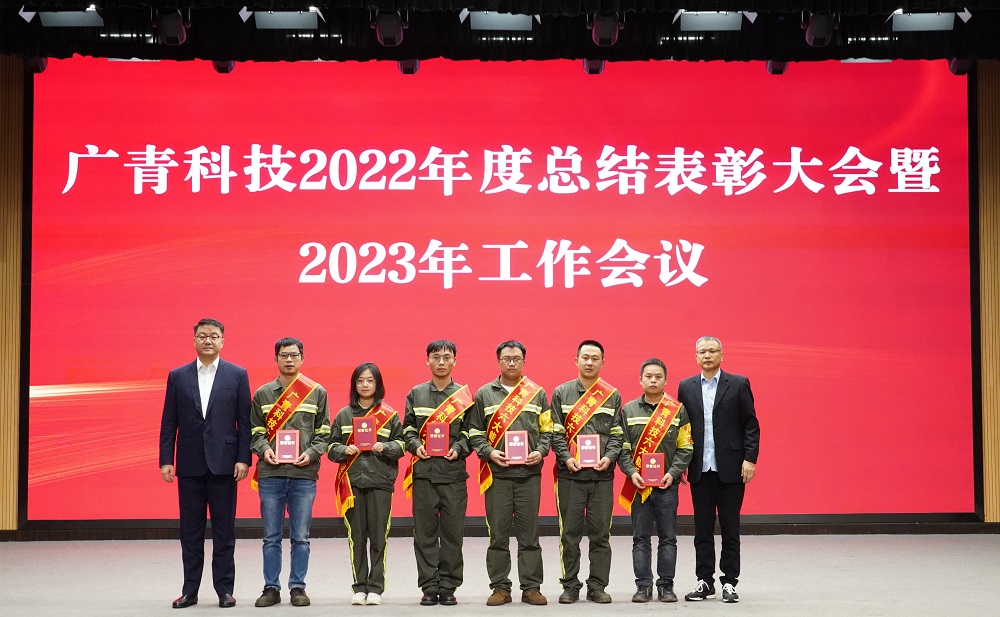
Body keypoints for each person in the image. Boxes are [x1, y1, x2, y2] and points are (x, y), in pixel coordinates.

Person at [158, 318, 251, 609]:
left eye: (213, 336)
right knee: (190, 532)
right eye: (202, 336)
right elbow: (168, 422)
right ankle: (190, 591)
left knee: (224, 531)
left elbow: (245, 422)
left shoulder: (237, 374)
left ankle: (224, 590)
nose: (208, 340)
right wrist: (166, 460)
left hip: (225, 464)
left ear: (222, 341)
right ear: (194, 340)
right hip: (189, 464)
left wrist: (244, 458)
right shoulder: (177, 376)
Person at [466, 340, 552, 607]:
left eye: (516, 359)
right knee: (498, 536)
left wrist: (540, 451)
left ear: (524, 361)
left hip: (529, 475)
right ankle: (500, 588)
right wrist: (489, 452)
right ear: (499, 361)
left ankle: (531, 587)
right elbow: (474, 432)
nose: (512, 363)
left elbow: (547, 429)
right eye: (507, 359)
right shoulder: (484, 394)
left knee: (530, 535)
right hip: (498, 476)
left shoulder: (537, 393)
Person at [676, 336, 760, 604]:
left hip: (731, 468)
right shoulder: (686, 386)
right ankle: (704, 581)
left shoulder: (738, 383)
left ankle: (730, 582)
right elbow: (681, 427)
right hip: (699, 468)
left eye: (712, 351)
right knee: (702, 529)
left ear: (722, 354)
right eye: (702, 351)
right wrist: (680, 462)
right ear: (696, 356)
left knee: (730, 528)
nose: (707, 355)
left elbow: (750, 425)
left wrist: (749, 459)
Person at [249, 337, 331, 608]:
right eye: (284, 355)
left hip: (303, 475)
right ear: (276, 358)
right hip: (271, 474)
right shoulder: (263, 393)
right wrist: (264, 450)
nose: (289, 359)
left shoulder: (316, 392)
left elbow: (324, 433)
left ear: (302, 358)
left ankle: (298, 587)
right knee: (271, 537)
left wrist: (312, 453)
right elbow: (255, 432)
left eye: (294, 355)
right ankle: (271, 588)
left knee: (301, 537)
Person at [549, 340, 623, 604]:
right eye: (585, 357)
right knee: (569, 534)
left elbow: (617, 433)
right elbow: (555, 432)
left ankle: (597, 586)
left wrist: (609, 457)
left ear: (602, 362)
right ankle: (570, 585)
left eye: (595, 358)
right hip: (570, 475)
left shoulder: (612, 394)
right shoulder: (561, 393)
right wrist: (567, 457)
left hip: (602, 476)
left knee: (601, 535)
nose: (590, 362)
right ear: (576, 361)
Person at [402, 340, 474, 606]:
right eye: (436, 357)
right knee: (424, 534)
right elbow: (407, 429)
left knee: (453, 534)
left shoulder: (465, 397)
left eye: (446, 357)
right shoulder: (416, 393)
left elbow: (471, 432)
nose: (441, 361)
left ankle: (449, 586)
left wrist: (458, 448)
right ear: (427, 361)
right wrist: (415, 446)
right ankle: (429, 586)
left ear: (455, 360)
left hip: (453, 475)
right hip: (424, 475)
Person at [327, 362, 406, 606]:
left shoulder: (389, 415)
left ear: (377, 384)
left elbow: (402, 445)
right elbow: (330, 447)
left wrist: (386, 446)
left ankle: (375, 588)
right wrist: (344, 449)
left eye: (370, 380)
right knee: (357, 537)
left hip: (381, 482)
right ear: (354, 384)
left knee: (379, 537)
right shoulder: (344, 415)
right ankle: (359, 586)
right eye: (360, 380)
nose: (365, 384)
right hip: (352, 484)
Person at [617, 358, 694, 603]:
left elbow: (686, 447)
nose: (653, 380)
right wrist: (631, 472)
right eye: (648, 376)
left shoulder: (677, 410)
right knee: (640, 538)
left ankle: (666, 586)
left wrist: (673, 473)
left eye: (658, 377)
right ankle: (643, 586)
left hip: (667, 486)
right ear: (640, 380)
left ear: (666, 380)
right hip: (639, 486)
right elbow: (622, 448)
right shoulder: (628, 410)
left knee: (668, 538)